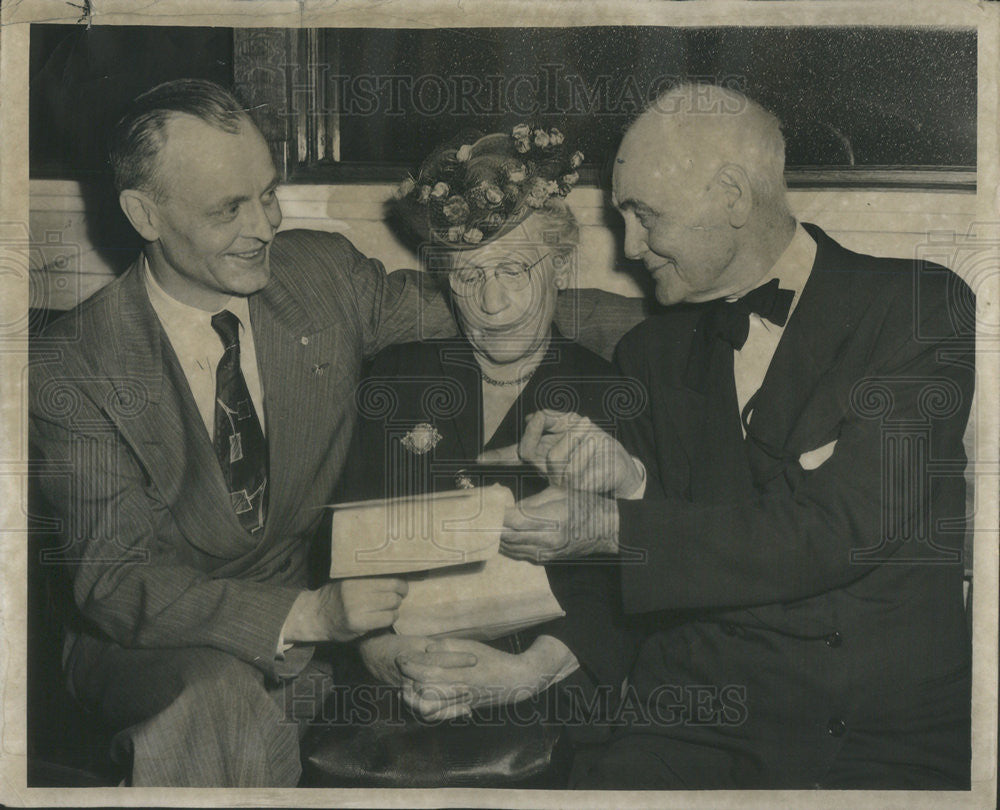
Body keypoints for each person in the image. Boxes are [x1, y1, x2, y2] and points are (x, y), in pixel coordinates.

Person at [27, 79, 646, 787]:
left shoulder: (318, 277)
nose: (265, 225)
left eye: (268, 193)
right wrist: (313, 613)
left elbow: (486, 309)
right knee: (213, 700)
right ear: (145, 213)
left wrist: (671, 343)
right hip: (159, 639)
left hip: (329, 631)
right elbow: (116, 583)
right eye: (230, 208)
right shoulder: (75, 365)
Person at [480, 83, 976, 789]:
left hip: (873, 735)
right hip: (692, 721)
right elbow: (666, 542)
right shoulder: (648, 353)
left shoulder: (919, 307)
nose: (627, 247)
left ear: (734, 197)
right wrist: (619, 478)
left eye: (644, 215)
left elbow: (841, 529)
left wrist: (616, 525)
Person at [334, 129, 638, 730]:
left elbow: (628, 583)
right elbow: (346, 541)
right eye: (469, 278)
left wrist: (527, 674)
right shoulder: (398, 376)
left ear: (558, 266)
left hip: (551, 686)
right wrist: (386, 657)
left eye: (515, 270)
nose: (493, 305)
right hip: (395, 679)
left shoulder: (614, 393)